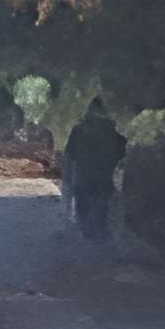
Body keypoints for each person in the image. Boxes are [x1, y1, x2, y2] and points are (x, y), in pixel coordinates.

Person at [63, 98, 128, 242]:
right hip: (103, 183)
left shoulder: (79, 131)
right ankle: (100, 248)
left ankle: (91, 248)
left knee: (86, 218)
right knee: (100, 218)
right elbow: (123, 153)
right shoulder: (112, 133)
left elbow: (69, 157)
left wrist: (67, 181)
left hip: (83, 182)